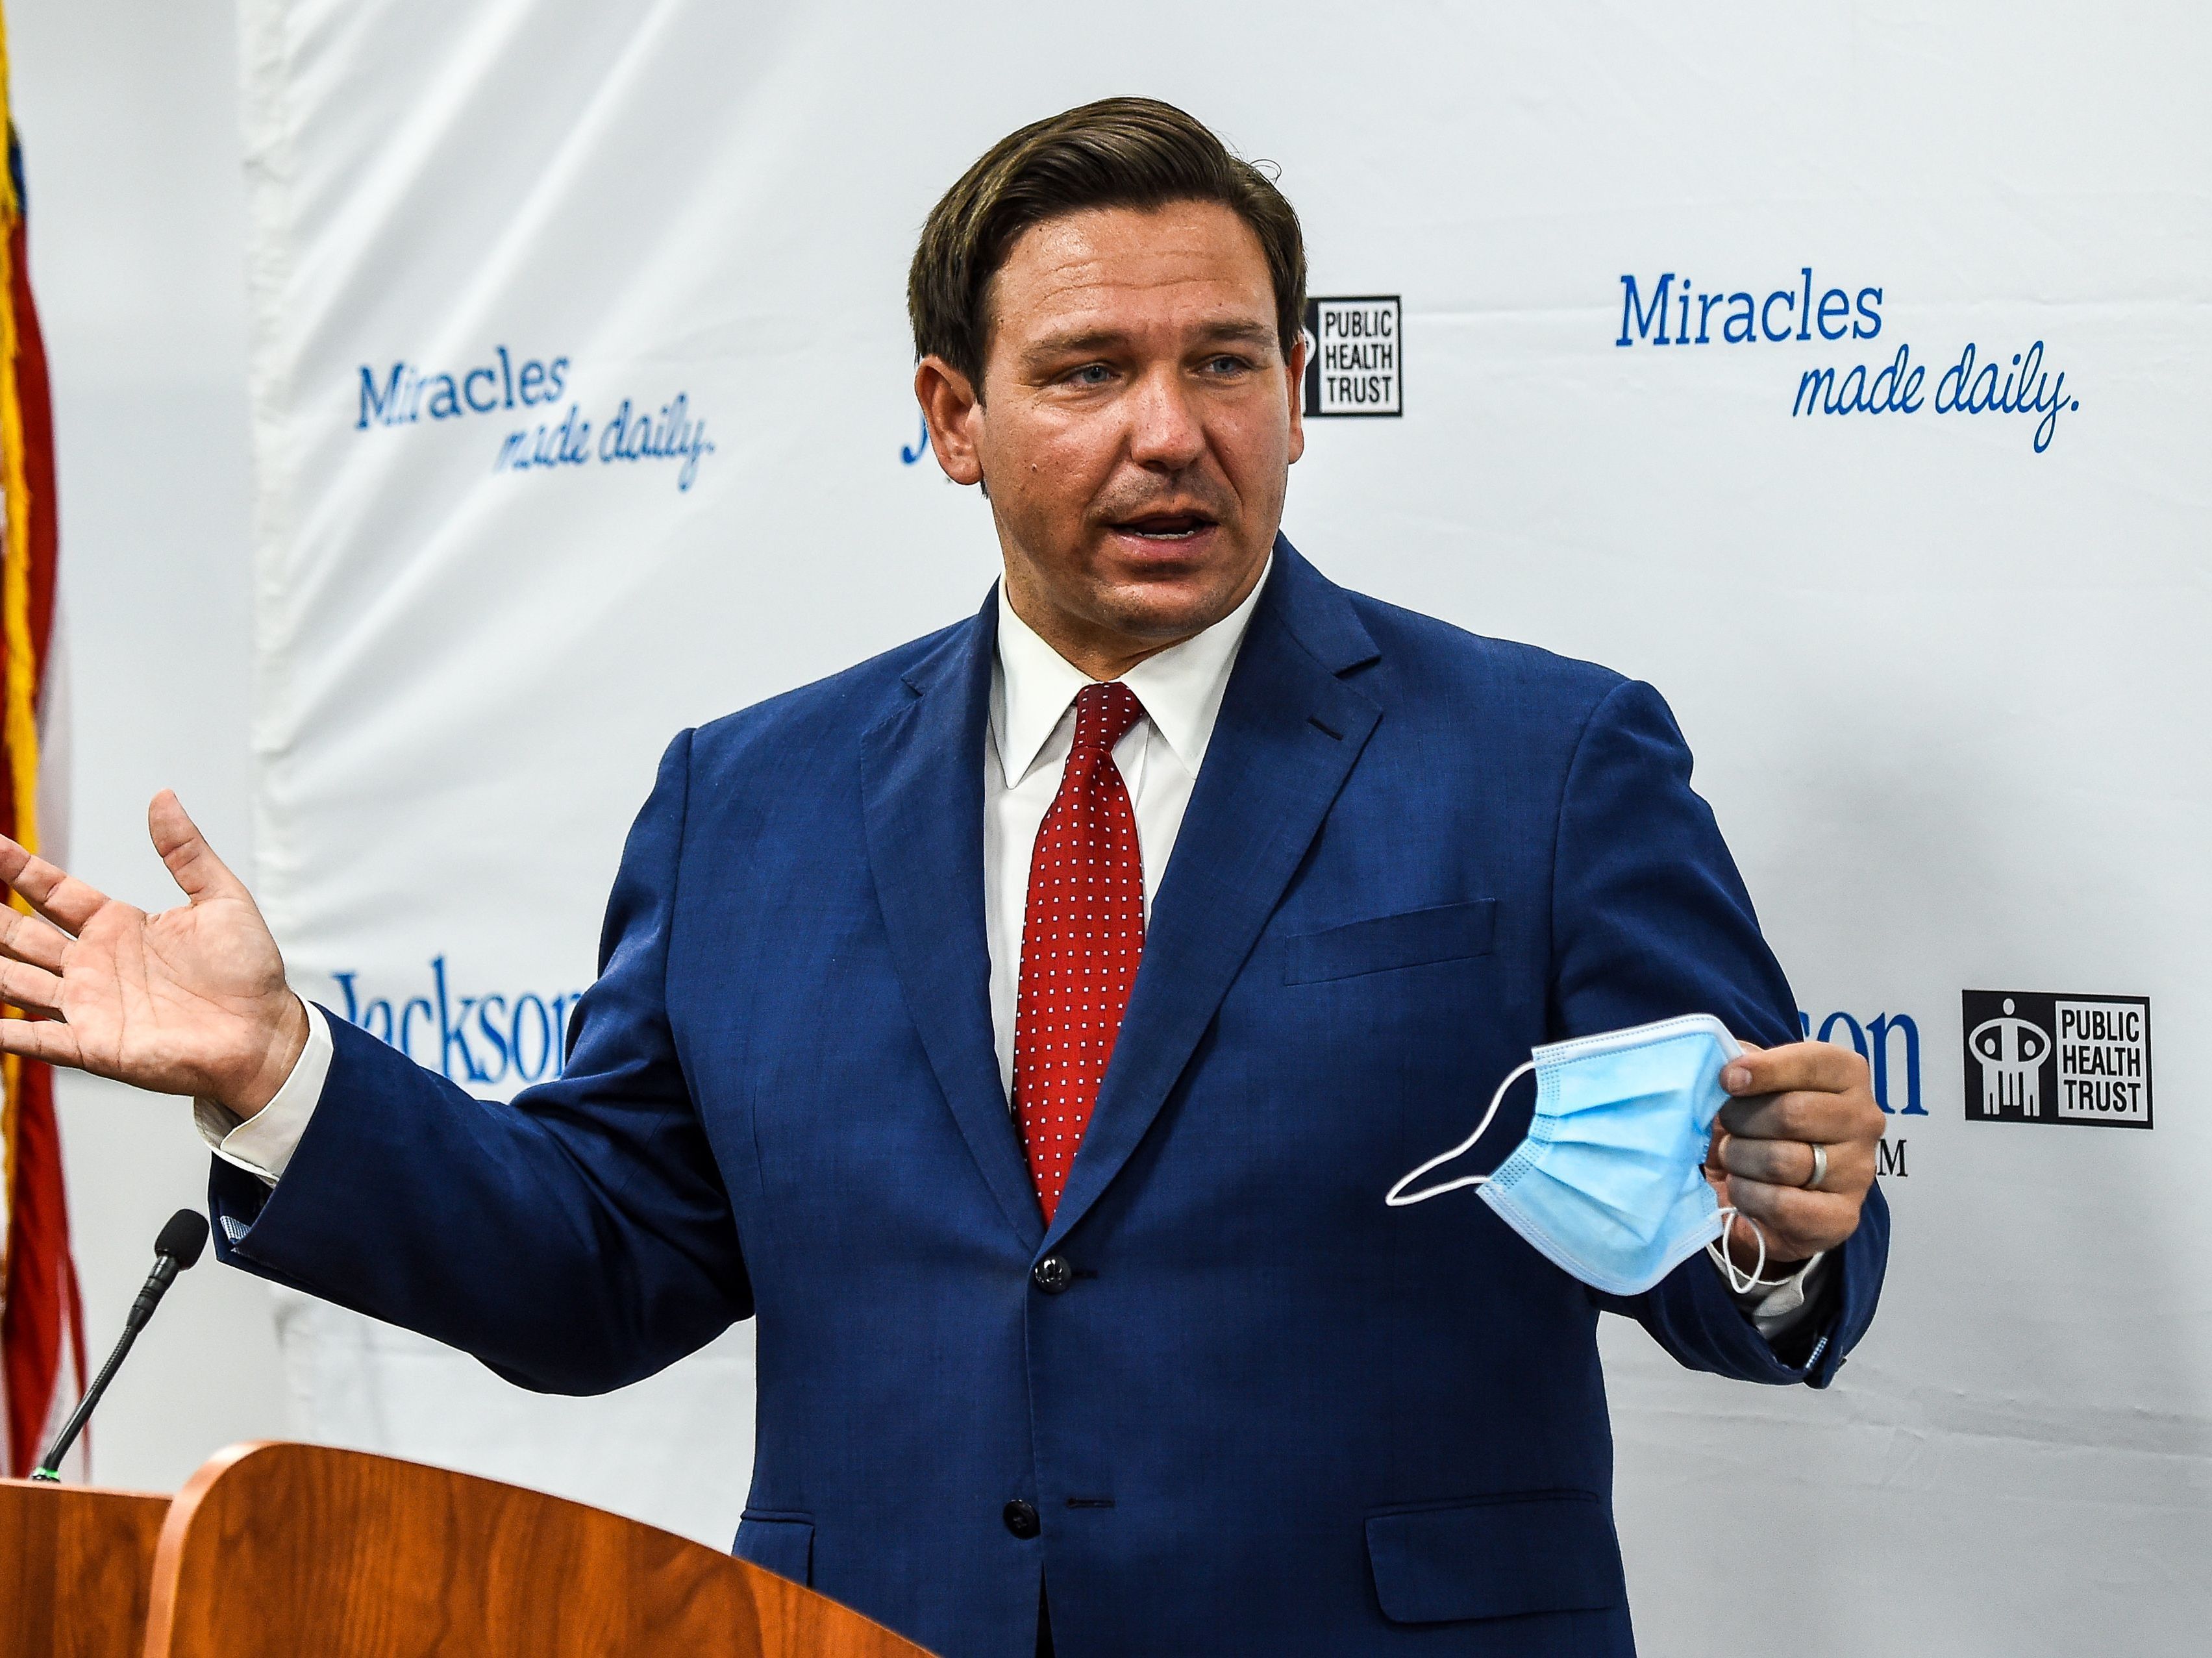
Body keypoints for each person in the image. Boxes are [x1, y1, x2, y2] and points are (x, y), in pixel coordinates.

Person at [0, 98, 1887, 1657]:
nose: (1173, 427)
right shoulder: (747, 800)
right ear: (953, 415)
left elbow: (1737, 1202)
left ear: (1302, 393)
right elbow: (606, 1263)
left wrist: (1777, 1234)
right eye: (1090, 369)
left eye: (1225, 362)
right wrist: (284, 1074)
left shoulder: (1545, 763)